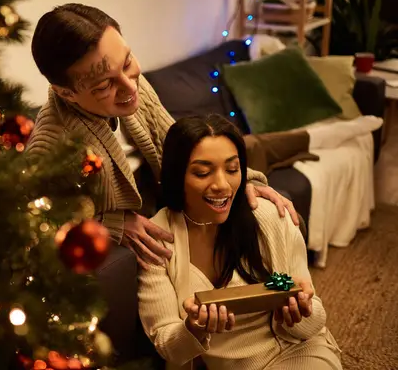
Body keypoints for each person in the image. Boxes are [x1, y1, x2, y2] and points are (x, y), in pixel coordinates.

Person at [26, 3, 299, 268]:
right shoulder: (51, 144)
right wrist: (112, 222)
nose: (129, 86)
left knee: (256, 154)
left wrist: (242, 181)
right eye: (104, 85)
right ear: (66, 93)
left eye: (127, 62)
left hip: (180, 185)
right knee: (255, 147)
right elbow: (39, 220)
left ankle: (322, 136)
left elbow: (176, 141)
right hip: (159, 214)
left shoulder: (134, 86)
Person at [138, 114, 342, 370]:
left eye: (233, 170)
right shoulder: (157, 240)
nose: (223, 185)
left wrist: (301, 313)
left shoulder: (270, 216)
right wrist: (194, 329)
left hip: (298, 352)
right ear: (177, 176)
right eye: (203, 173)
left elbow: (315, 323)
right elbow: (169, 346)